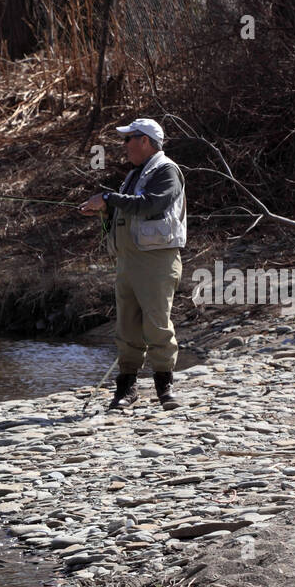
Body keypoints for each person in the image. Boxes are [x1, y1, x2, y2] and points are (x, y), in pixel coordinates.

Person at [78, 118, 187, 410]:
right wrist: (102, 212)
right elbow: (128, 213)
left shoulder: (167, 172)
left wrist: (108, 198)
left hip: (156, 262)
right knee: (126, 327)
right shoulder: (135, 175)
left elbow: (151, 205)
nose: (124, 145)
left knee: (157, 325)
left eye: (129, 139)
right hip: (128, 262)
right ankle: (126, 390)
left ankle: (165, 389)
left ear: (146, 141)